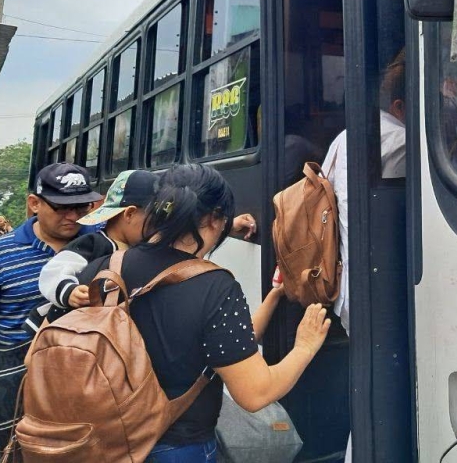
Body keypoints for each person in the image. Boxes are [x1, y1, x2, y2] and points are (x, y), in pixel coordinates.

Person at [77, 164, 329, 462]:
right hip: (177, 448)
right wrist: (305, 346)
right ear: (214, 219)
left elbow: (230, 345)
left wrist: (274, 296)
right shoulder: (215, 287)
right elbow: (254, 393)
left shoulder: (103, 268)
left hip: (99, 443)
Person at [0, 163, 102, 460]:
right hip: (8, 388)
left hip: (82, 393)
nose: (73, 216)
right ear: (34, 203)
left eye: (81, 207)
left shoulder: (104, 244)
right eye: (62, 207)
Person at [322, 51, 406, 462]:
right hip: (380, 289)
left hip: (348, 285)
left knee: (370, 382)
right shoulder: (401, 141)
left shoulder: (345, 136)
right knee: (385, 391)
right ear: (400, 107)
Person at [23, 169, 156, 336]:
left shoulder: (138, 248)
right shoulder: (93, 243)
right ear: (129, 213)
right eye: (153, 221)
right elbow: (54, 270)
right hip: (65, 329)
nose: (156, 229)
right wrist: (69, 291)